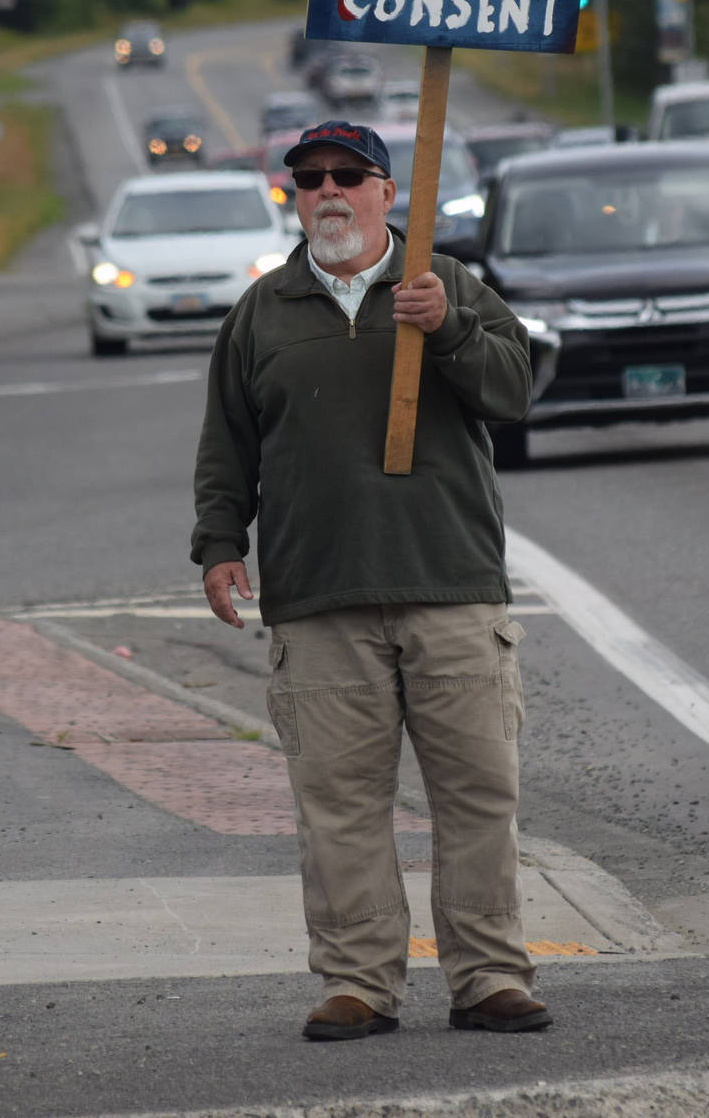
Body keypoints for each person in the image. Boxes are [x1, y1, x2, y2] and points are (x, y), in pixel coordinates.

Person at [191, 118, 550, 1042]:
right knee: (340, 807)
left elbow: (518, 390)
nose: (328, 192)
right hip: (319, 599)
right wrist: (219, 542)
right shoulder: (262, 311)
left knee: (476, 794)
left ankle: (488, 976)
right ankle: (358, 981)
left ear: (389, 192)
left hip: (451, 586)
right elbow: (228, 443)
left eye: (348, 175)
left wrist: (451, 328)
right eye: (309, 179)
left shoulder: (444, 285)